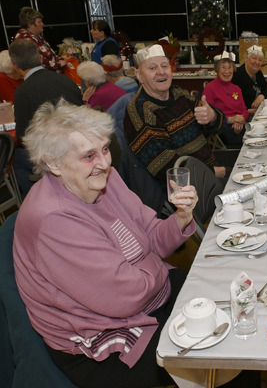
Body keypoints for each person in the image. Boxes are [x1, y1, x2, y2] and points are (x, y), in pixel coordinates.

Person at [12, 100, 199, 388]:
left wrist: (181, 219)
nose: (105, 162)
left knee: (227, 300)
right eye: (89, 155)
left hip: (148, 296)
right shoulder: (53, 219)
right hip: (101, 338)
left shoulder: (104, 179)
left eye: (105, 148)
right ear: (53, 163)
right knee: (211, 355)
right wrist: (155, 266)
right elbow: (126, 296)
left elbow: (152, 236)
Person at [123, 44, 228, 183]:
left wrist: (212, 116)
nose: (161, 72)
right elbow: (165, 167)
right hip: (189, 190)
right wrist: (214, 172)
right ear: (139, 76)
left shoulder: (179, 94)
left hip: (211, 169)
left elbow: (221, 125)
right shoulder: (140, 112)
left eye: (165, 66)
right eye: (152, 68)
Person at [9, 39, 83, 195]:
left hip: (55, 152)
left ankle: (34, 200)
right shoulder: (66, 81)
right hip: (79, 143)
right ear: (41, 58)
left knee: (15, 158)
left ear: (14, 65)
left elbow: (24, 135)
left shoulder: (22, 92)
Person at [203, 51, 249, 147]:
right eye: (223, 67)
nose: (227, 71)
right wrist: (231, 120)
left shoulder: (236, 88)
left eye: (230, 67)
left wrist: (240, 120)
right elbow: (208, 117)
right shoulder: (210, 88)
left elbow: (244, 110)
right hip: (222, 129)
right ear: (217, 69)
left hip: (239, 125)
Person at [13, 7, 66, 71]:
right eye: (39, 22)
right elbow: (36, 61)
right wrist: (58, 64)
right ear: (30, 25)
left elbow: (49, 54)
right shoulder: (24, 38)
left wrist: (61, 59)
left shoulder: (36, 35)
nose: (42, 24)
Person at [232, 45, 267, 115]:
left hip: (258, 112)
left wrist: (261, 96)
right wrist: (248, 111)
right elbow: (233, 101)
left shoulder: (258, 73)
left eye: (260, 60)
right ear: (247, 59)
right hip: (244, 115)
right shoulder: (237, 74)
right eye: (254, 58)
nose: (257, 62)